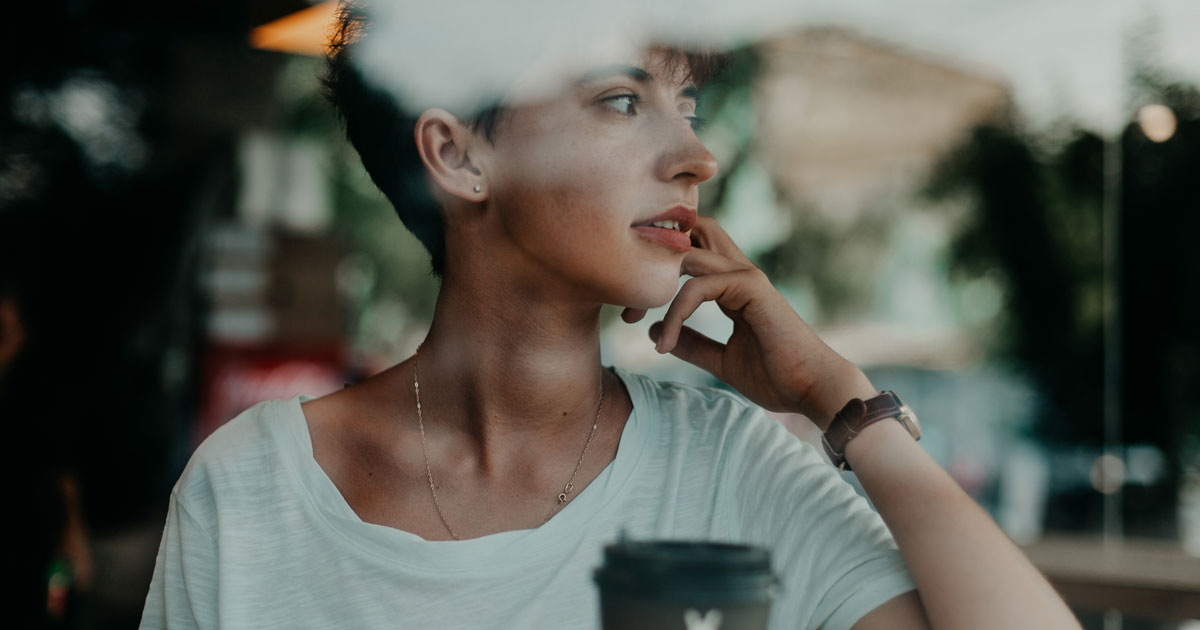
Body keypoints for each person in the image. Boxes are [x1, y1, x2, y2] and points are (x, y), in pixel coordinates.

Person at [140, 2, 1080, 628]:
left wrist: (840, 401)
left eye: (690, 102)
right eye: (623, 99)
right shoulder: (250, 492)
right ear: (460, 157)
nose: (695, 155)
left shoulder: (728, 466)